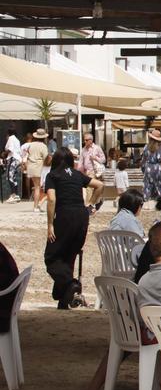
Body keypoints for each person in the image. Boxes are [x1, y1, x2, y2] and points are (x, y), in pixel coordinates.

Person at [44, 147, 104, 309]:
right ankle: (64, 300)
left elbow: (51, 199)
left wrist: (50, 224)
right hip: (81, 216)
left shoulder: (53, 175)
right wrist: (90, 205)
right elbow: (99, 185)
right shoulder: (77, 175)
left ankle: (71, 284)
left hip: (64, 216)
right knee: (69, 256)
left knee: (51, 257)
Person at [25, 129, 49, 211]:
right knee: (37, 187)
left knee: (36, 186)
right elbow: (46, 157)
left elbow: (28, 154)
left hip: (30, 166)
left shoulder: (31, 145)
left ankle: (38, 205)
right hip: (38, 166)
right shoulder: (43, 146)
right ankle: (36, 206)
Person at [141, 129, 161, 205]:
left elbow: (143, 159)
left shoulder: (146, 147)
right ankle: (159, 198)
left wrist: (143, 168)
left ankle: (146, 199)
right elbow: (158, 158)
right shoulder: (159, 147)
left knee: (147, 184)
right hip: (156, 168)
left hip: (148, 167)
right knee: (159, 184)